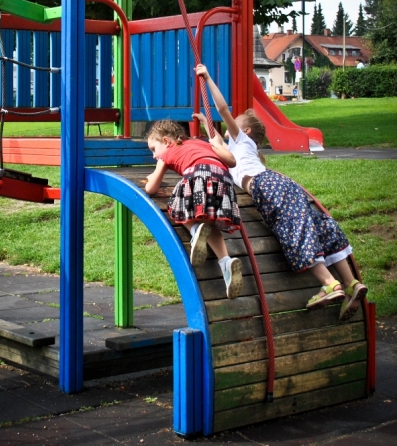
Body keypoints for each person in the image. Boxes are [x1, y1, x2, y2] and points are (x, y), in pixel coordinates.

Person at [194, 63, 368, 322]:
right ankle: (351, 282)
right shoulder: (235, 148)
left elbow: (221, 109)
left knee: (293, 230)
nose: (232, 122)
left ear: (246, 130)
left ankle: (329, 284)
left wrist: (207, 78)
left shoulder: (241, 140)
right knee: (319, 226)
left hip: (267, 186)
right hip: (282, 184)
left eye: (237, 121)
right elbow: (215, 140)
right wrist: (203, 121)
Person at [144, 119, 242, 299]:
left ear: (166, 141)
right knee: (209, 224)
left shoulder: (167, 153)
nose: (154, 155)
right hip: (224, 180)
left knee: (176, 205)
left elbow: (151, 188)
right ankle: (226, 263)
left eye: (153, 149)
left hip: (198, 174)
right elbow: (225, 157)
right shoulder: (199, 143)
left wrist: (151, 178)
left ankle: (195, 230)